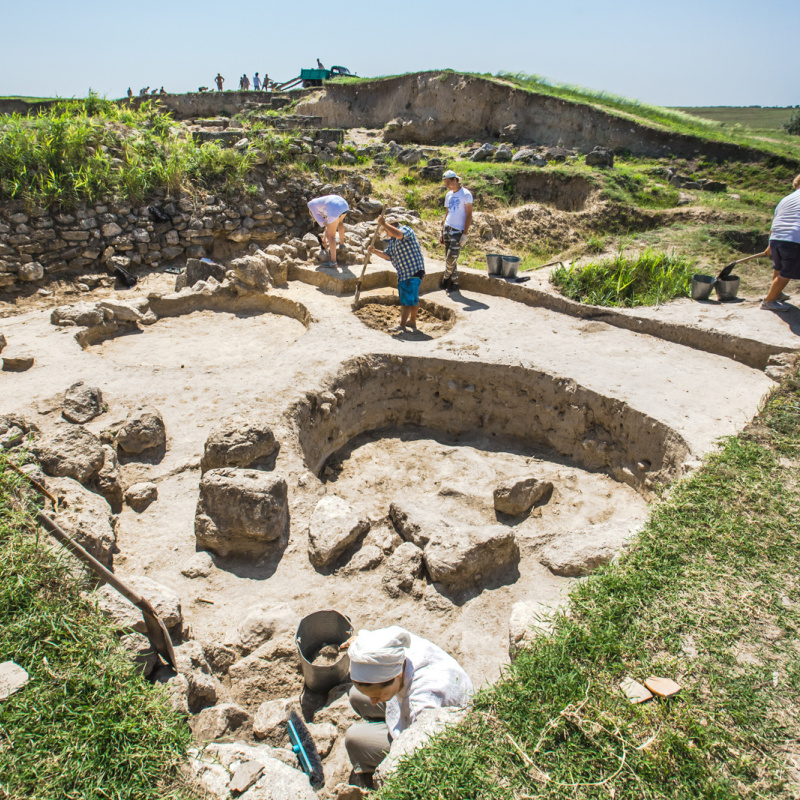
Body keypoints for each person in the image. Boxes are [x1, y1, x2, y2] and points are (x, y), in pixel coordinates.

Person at [344, 627, 473, 785]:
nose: (373, 701)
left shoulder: (426, 699)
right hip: (407, 701)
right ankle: (382, 712)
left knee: (355, 740)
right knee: (356, 695)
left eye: (377, 696)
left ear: (397, 676)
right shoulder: (394, 651)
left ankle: (367, 771)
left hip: (435, 726)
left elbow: (422, 753)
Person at [368, 215, 426, 333]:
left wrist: (383, 223)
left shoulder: (405, 230)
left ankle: (402, 325)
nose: (386, 233)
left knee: (406, 299)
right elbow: (388, 256)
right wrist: (374, 251)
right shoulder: (393, 242)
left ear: (391, 226)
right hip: (406, 272)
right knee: (412, 297)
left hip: (413, 270)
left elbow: (400, 235)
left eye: (386, 230)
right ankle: (412, 322)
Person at [761, 174, 800, 311]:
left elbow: (776, 221)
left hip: (776, 238)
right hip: (794, 239)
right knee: (786, 273)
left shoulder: (786, 199)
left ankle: (777, 294)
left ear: (796, 186)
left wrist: (769, 245)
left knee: (778, 267)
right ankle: (768, 300)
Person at [439, 170, 473, 292]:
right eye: (445, 183)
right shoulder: (449, 195)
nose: (447, 185)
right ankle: (455, 282)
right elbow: (447, 212)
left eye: (448, 182)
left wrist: (465, 234)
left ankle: (446, 278)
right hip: (447, 228)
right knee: (450, 257)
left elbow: (469, 215)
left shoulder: (466, 194)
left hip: (458, 230)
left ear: (455, 180)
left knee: (451, 258)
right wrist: (442, 231)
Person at [307, 194, 349, 267]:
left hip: (335, 207)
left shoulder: (311, 205)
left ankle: (333, 262)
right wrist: (325, 240)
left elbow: (323, 222)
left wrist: (327, 238)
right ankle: (342, 244)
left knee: (331, 237)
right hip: (344, 205)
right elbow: (328, 224)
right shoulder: (321, 205)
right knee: (340, 222)